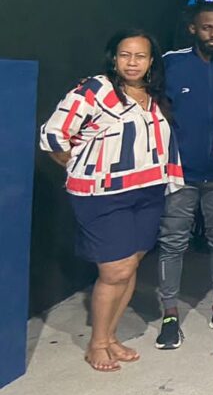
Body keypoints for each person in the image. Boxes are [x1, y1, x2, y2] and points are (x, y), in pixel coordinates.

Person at [40, 29, 184, 371]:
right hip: (103, 196)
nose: (132, 62)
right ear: (114, 58)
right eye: (125, 55)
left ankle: (111, 337)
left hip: (148, 192)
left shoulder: (153, 95)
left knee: (130, 265)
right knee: (114, 270)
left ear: (151, 61)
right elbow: (53, 134)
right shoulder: (96, 90)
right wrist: (79, 165)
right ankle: (98, 343)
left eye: (140, 56)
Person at [156, 2, 213, 349]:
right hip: (180, 174)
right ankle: (169, 315)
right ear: (193, 29)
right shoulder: (171, 63)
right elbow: (155, 106)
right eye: (207, 28)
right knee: (172, 243)